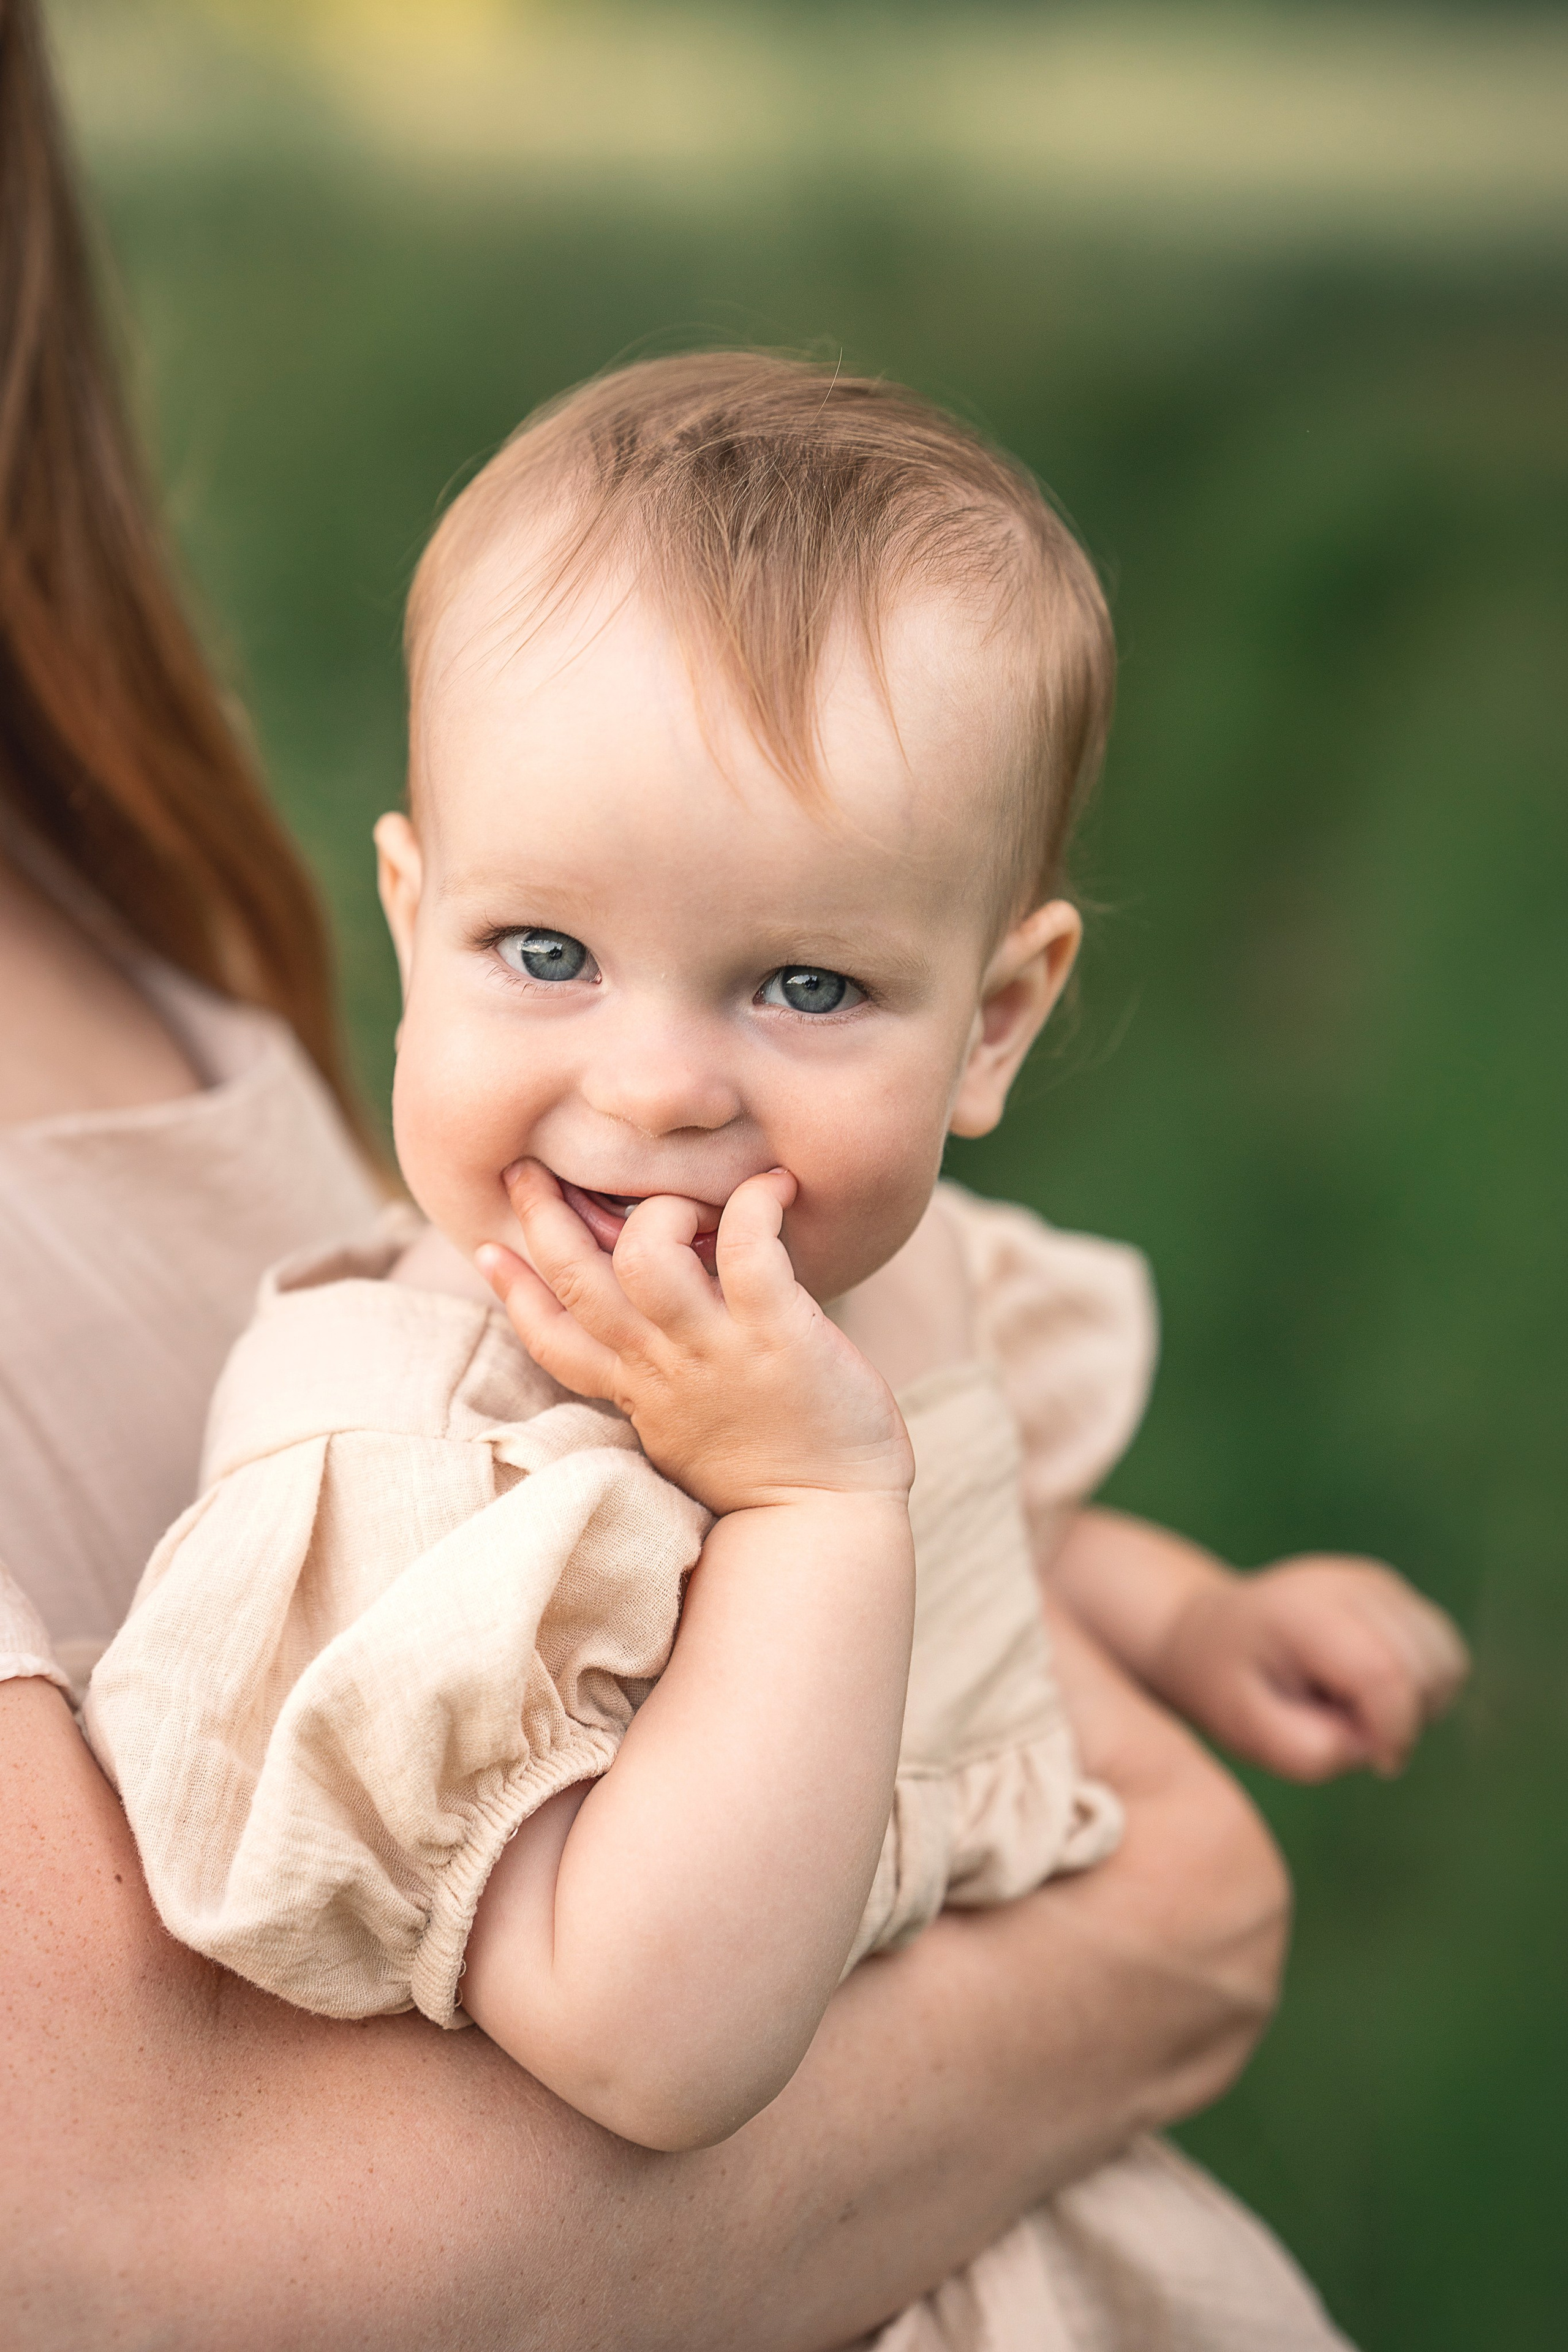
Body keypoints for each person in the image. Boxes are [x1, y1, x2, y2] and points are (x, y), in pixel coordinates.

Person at [0, 6, 1308, 2343]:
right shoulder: (416, 1468)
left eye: (803, 987)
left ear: (994, 1020)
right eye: (544, 952)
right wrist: (811, 1518)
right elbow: (650, 2036)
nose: (659, 1081)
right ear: (410, 919)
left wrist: (1193, 1624)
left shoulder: (853, 1304)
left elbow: (995, 1549)